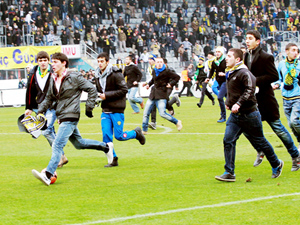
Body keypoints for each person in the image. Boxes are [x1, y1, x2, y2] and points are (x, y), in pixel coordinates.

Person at [32, 52, 114, 186]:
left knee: (57, 144)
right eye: (52, 62)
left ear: (64, 63)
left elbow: (92, 89)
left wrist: (89, 107)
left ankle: (48, 174)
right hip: (62, 115)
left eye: (56, 62)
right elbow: (48, 98)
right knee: (79, 144)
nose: (53, 65)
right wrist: (40, 111)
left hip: (71, 115)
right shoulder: (52, 78)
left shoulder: (74, 76)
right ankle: (106, 147)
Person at [215, 48, 284, 182]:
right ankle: (229, 172)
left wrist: (238, 104)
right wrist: (229, 103)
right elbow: (233, 91)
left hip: (250, 114)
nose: (226, 58)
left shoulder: (244, 73)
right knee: (228, 140)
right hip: (235, 116)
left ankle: (276, 163)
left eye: (229, 56)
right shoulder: (231, 72)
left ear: (238, 60)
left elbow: (249, 90)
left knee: (260, 141)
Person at [244, 30, 300, 170]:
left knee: (278, 128)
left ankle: (295, 155)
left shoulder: (266, 56)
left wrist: (255, 81)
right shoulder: (246, 56)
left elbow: (274, 76)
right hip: (252, 100)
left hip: (265, 99)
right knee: (245, 127)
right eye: (246, 38)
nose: (247, 41)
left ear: (257, 41)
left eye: (250, 38)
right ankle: (261, 149)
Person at [94, 52, 146, 167]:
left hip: (117, 109)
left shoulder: (116, 73)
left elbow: (123, 90)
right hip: (105, 110)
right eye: (98, 61)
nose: (100, 64)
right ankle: (113, 159)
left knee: (119, 136)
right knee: (106, 136)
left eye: (102, 61)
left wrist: (106, 95)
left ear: (107, 62)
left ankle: (136, 133)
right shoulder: (97, 75)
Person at [25, 51, 68, 168]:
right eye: (40, 60)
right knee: (50, 131)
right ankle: (61, 156)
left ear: (48, 61)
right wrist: (28, 107)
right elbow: (30, 91)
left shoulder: (54, 71)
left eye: (45, 60)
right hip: (40, 106)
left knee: (46, 130)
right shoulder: (33, 73)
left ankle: (60, 156)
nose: (43, 63)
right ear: (37, 62)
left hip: (53, 105)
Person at [273, 43, 300, 170]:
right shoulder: (281, 64)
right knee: (290, 124)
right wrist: (276, 84)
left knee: (295, 121)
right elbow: (278, 78)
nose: (295, 52)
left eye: (297, 50)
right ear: (287, 51)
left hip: (297, 97)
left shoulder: (299, 64)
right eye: (293, 50)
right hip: (285, 98)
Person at [142, 57, 182, 134]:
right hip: (153, 94)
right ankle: (144, 130)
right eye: (158, 62)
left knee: (162, 113)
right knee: (146, 113)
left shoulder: (167, 71)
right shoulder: (154, 70)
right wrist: (148, 85)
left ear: (163, 63)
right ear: (155, 63)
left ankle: (177, 122)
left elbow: (177, 77)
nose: (159, 63)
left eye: (161, 62)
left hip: (161, 94)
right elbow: (153, 80)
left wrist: (171, 84)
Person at [206, 46, 227, 123]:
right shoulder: (215, 61)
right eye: (216, 52)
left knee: (220, 97)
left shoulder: (226, 60)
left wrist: (224, 74)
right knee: (230, 98)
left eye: (219, 52)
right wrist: (208, 78)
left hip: (226, 81)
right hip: (219, 81)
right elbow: (212, 70)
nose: (217, 53)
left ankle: (223, 116)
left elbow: (230, 70)